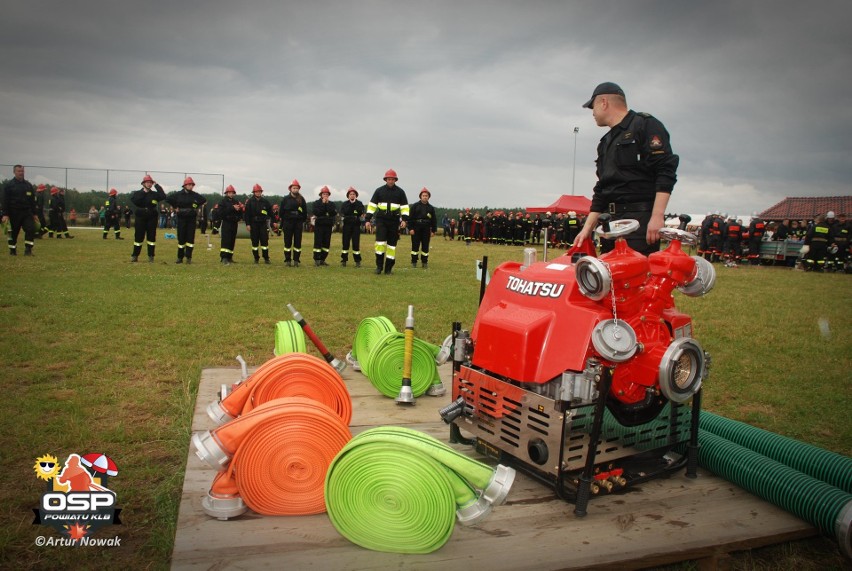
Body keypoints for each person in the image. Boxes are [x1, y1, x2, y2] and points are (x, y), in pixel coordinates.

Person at [574, 82, 679, 256]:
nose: (592, 113)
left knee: (635, 276)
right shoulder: (605, 142)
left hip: (638, 220)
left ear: (604, 102)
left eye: (593, 107)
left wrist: (657, 216)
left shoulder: (645, 125)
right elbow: (602, 189)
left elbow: (665, 170)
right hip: (610, 222)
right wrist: (587, 229)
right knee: (609, 276)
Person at [365, 168, 409, 275]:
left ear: (395, 180)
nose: (390, 181)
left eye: (392, 179)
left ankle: (388, 269)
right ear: (386, 179)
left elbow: (404, 207)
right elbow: (371, 206)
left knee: (391, 246)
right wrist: (367, 220)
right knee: (380, 243)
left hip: (394, 221)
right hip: (381, 220)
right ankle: (379, 267)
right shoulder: (379, 191)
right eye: (389, 179)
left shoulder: (400, 192)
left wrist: (404, 220)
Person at [166, 177, 206, 264]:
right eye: (189, 184)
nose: (191, 186)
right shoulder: (178, 194)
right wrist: (175, 206)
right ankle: (180, 257)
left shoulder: (195, 195)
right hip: (181, 218)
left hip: (191, 218)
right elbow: (168, 199)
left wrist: (195, 205)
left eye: (192, 185)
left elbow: (203, 200)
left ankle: (188, 257)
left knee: (190, 238)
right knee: (181, 238)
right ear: (184, 185)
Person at [1, 164, 38, 256]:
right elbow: (5, 200)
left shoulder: (28, 185)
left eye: (22, 171)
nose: (21, 173)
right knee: (13, 233)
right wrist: (5, 214)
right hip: (14, 212)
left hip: (26, 212)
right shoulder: (9, 185)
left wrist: (34, 214)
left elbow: (32, 201)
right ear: (14, 172)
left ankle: (28, 250)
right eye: (19, 171)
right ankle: (12, 251)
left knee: (30, 229)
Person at [129, 174, 167, 263]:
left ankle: (151, 256)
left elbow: (163, 196)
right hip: (140, 216)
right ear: (143, 184)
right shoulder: (138, 193)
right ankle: (135, 255)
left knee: (151, 237)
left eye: (151, 183)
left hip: (152, 217)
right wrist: (144, 192)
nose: (149, 184)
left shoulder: (154, 194)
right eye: (148, 182)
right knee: (138, 237)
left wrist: (157, 185)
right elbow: (135, 201)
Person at [280, 179, 307, 266]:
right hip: (288, 223)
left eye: (297, 188)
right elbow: (281, 212)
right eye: (294, 188)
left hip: (298, 223)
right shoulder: (285, 199)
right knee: (287, 242)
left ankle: (296, 260)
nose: (295, 189)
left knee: (298, 242)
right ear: (290, 189)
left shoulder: (301, 199)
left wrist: (300, 220)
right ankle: (288, 260)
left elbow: (305, 212)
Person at [243, 183, 272, 264]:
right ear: (254, 192)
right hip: (253, 224)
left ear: (261, 192)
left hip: (263, 224)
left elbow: (270, 212)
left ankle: (266, 258)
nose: (258, 193)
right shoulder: (250, 202)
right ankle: (256, 258)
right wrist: (247, 224)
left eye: (259, 191)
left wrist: (274, 221)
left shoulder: (265, 201)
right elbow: (247, 214)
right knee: (254, 242)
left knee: (264, 242)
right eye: (256, 191)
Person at [409, 187, 437, 268]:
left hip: (426, 228)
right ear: (420, 196)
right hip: (416, 228)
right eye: (423, 195)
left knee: (425, 246)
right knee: (415, 245)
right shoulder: (415, 206)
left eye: (426, 195)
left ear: (428, 197)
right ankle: (414, 262)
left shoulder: (431, 208)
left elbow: (434, 220)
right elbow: (410, 218)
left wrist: (433, 230)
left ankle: (424, 262)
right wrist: (410, 228)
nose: (425, 197)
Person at [216, 185, 243, 265]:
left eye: (232, 193)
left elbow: (240, 213)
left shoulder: (236, 201)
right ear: (226, 193)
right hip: (226, 223)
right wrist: (232, 208)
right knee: (226, 240)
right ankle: (224, 257)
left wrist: (240, 210)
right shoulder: (222, 202)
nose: (231, 194)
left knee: (232, 240)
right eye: (229, 192)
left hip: (234, 223)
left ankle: (230, 257)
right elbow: (220, 213)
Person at [340, 186, 365, 267]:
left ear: (356, 195)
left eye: (353, 194)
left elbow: (360, 211)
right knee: (345, 243)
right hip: (347, 225)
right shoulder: (345, 204)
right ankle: (344, 260)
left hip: (356, 226)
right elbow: (345, 212)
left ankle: (357, 261)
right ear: (348, 195)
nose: (352, 195)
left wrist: (354, 207)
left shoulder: (359, 203)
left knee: (356, 244)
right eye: (350, 194)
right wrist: (353, 210)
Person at [312, 186, 336, 266]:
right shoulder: (316, 203)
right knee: (318, 243)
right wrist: (323, 204)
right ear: (321, 195)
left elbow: (333, 213)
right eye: (324, 194)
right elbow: (317, 212)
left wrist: (327, 204)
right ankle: (317, 259)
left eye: (327, 194)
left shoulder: (331, 204)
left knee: (326, 243)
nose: (325, 195)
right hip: (319, 225)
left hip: (328, 225)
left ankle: (323, 259)